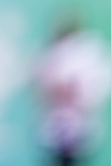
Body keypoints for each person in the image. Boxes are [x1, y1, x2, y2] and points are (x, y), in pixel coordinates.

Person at [35, 16, 111, 166]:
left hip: (81, 128)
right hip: (54, 129)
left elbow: (92, 90)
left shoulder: (89, 54)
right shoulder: (50, 52)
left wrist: (75, 91)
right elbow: (42, 84)